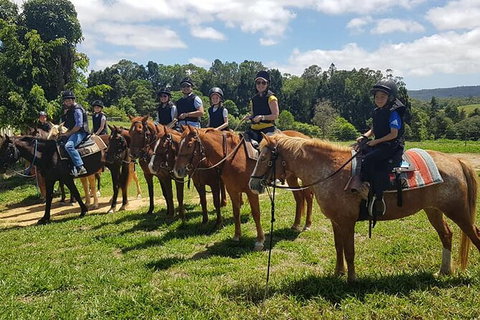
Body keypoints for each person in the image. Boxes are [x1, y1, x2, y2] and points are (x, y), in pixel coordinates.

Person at [356, 78, 406, 217]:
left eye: (382, 97)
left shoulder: (393, 113)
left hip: (392, 146)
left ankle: (375, 194)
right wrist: (365, 136)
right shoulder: (378, 111)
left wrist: (376, 142)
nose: (379, 99)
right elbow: (374, 128)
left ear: (390, 98)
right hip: (381, 143)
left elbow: (393, 134)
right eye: (377, 97)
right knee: (358, 152)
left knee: (370, 159)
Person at [243, 70, 279, 143]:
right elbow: (254, 115)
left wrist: (262, 117)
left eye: (263, 83)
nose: (260, 85)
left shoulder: (271, 98)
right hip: (253, 129)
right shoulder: (253, 99)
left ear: (267, 84)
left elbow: (275, 115)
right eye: (258, 82)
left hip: (268, 129)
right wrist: (249, 117)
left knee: (267, 149)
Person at [60, 90, 89, 177]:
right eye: (66, 100)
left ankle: (80, 167)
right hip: (73, 132)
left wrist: (68, 134)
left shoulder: (77, 110)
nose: (67, 102)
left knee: (69, 146)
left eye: (69, 100)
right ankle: (71, 167)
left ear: (73, 100)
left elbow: (78, 126)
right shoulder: (68, 110)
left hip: (80, 132)